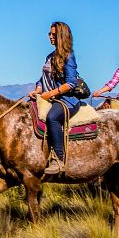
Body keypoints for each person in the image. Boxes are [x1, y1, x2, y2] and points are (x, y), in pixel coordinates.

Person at [27, 21, 82, 175]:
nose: (50, 37)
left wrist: (49, 94)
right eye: (49, 34)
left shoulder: (68, 56)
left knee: (52, 117)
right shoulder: (50, 56)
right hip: (49, 97)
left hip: (67, 100)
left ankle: (59, 159)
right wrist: (38, 90)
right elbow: (43, 78)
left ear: (61, 36)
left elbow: (71, 83)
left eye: (53, 34)